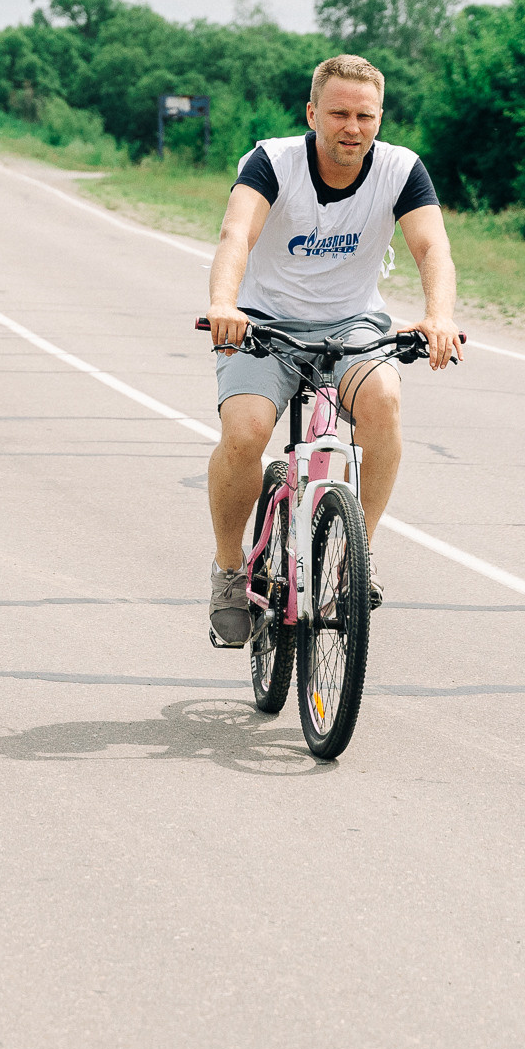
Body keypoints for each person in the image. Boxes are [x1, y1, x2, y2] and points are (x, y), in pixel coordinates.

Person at [201, 54, 460, 647]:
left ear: (379, 117)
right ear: (312, 113)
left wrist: (439, 316)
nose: (353, 128)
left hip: (352, 323)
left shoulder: (400, 169)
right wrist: (224, 304)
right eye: (339, 113)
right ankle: (228, 571)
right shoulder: (273, 162)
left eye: (365, 115)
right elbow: (236, 233)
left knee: (385, 402)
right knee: (244, 433)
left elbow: (431, 248)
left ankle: (355, 559)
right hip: (261, 320)